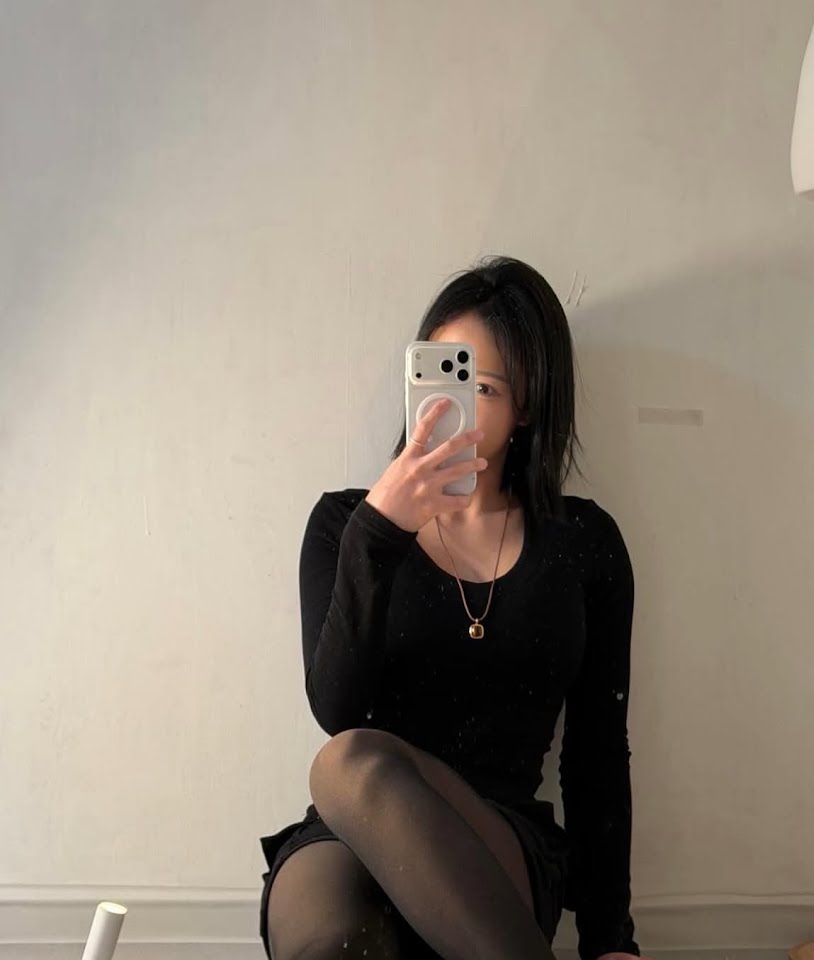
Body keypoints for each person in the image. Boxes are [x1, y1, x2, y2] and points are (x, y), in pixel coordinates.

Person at [257, 255, 642, 960]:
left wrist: (610, 939)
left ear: (527, 404)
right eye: (435, 374)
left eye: (480, 385)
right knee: (338, 855)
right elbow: (337, 707)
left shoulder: (583, 545)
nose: (444, 405)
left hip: (497, 840)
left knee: (349, 760)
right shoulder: (346, 526)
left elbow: (596, 754)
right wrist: (380, 533)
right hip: (351, 834)